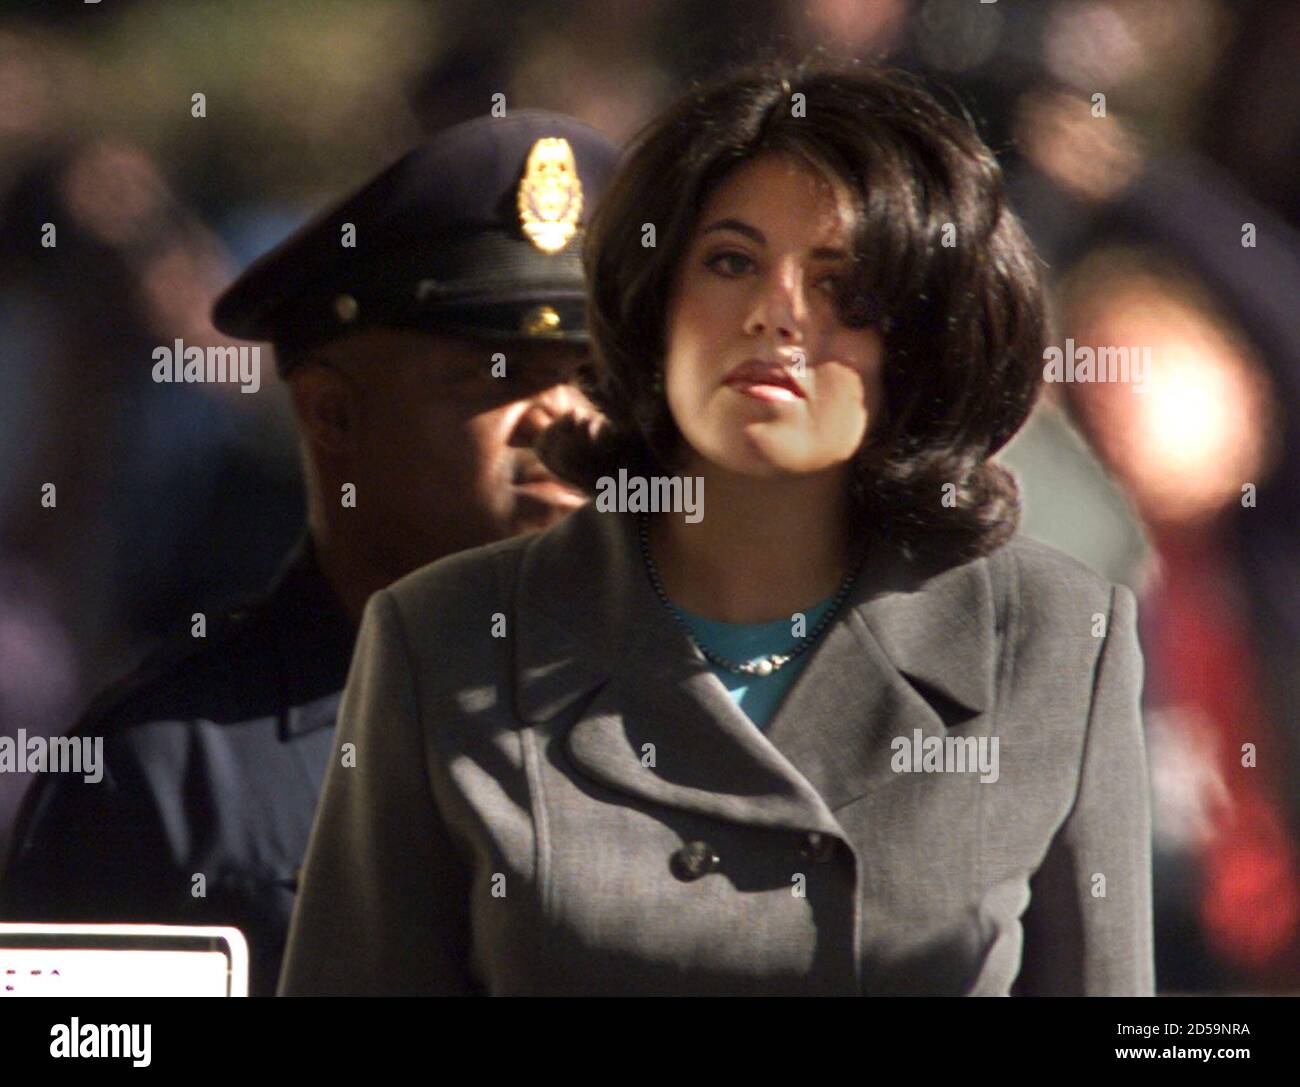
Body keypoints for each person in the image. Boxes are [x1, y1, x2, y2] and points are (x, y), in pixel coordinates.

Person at [279, 60, 1154, 997]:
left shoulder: (1058, 640)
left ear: (928, 340)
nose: (776, 314)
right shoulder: (445, 635)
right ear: (655, 307)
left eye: (843, 284)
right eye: (731, 261)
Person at [0, 111, 621, 997]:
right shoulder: (169, 772)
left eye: (593, 376)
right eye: (500, 375)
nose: (566, 418)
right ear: (332, 414)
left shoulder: (680, 722)